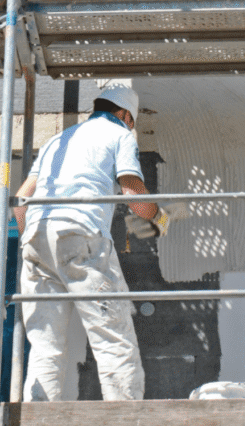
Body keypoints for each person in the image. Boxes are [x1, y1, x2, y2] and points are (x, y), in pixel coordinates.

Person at [13, 84, 179, 401]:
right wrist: (159, 217)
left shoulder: (57, 141)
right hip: (81, 234)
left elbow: (20, 201)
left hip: (36, 238)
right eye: (132, 122)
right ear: (125, 115)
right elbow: (132, 194)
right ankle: (124, 419)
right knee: (113, 337)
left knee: (45, 345)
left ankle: (37, 417)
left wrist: (34, 242)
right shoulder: (119, 135)